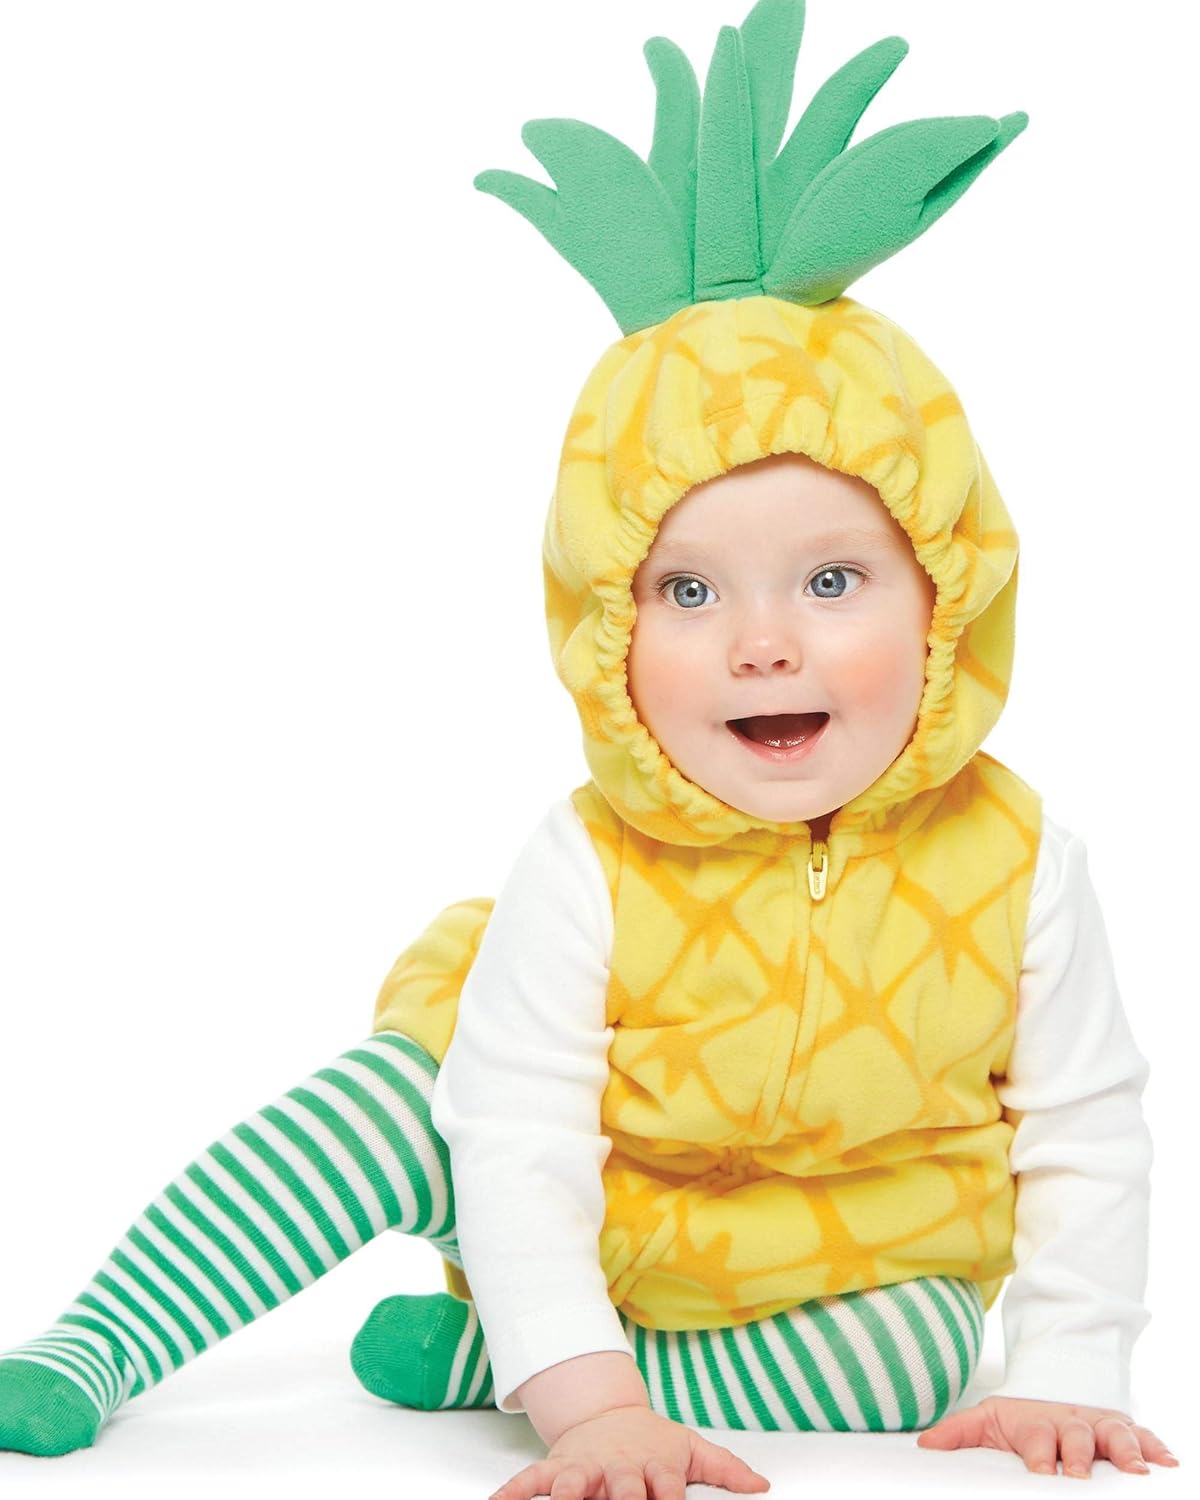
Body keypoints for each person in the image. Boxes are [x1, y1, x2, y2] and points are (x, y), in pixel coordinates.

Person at [0, 0, 1181, 1492]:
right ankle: (110, 1335)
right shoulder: (591, 865)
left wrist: (1069, 1367)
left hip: (828, 1256)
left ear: (948, 596)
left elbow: (1083, 1129)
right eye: (688, 593)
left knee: (920, 1359)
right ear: (605, 623)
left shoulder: (1022, 866)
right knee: (387, 1106)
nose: (763, 644)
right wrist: (587, 1410)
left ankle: (503, 1360)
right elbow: (515, 1136)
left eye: (832, 582)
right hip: (565, 1197)